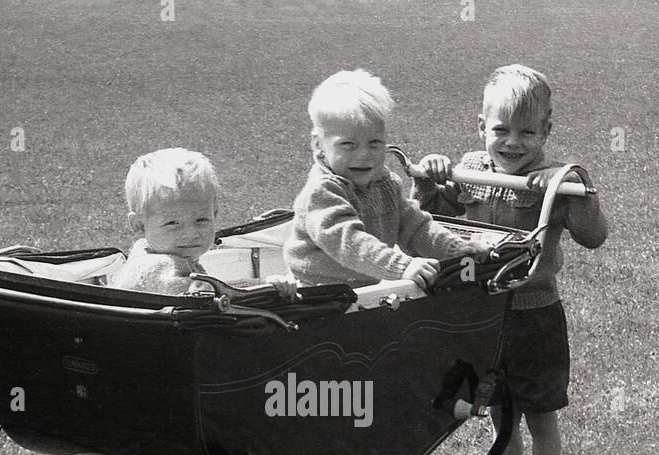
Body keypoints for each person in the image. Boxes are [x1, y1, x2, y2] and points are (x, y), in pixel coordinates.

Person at [413, 64, 608, 455]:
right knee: (500, 419)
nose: (513, 142)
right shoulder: (470, 171)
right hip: (484, 316)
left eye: (527, 132)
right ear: (482, 127)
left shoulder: (554, 180)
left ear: (546, 131)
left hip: (535, 318)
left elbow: (594, 236)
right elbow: (428, 220)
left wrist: (577, 185)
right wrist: (430, 179)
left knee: (540, 416)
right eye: (501, 129)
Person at [284, 69, 472, 290]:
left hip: (361, 288)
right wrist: (402, 266)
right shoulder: (323, 192)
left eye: (374, 143)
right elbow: (350, 242)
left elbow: (415, 226)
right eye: (348, 145)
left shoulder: (385, 183)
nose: (364, 154)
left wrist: (456, 249)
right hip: (315, 291)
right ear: (319, 145)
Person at [113, 147, 296, 296]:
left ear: (214, 214)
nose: (191, 233)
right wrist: (264, 287)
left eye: (201, 220)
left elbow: (214, 289)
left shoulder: (169, 255)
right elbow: (207, 298)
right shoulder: (157, 266)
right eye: (172, 223)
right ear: (139, 224)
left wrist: (260, 283)